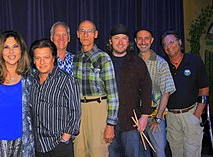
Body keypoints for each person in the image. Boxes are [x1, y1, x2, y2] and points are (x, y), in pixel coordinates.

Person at [73, 20, 119, 157]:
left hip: (98, 108)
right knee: (79, 152)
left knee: (98, 152)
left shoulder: (103, 58)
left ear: (95, 34)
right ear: (77, 34)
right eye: (82, 31)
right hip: (79, 109)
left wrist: (111, 124)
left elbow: (113, 94)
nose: (85, 35)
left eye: (89, 31)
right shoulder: (75, 58)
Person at [29, 39, 81, 157]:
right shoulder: (31, 80)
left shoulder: (67, 80)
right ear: (33, 60)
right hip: (39, 145)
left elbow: (75, 111)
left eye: (46, 57)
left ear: (53, 58)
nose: (42, 62)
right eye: (37, 58)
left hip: (59, 145)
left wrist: (65, 138)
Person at [161, 30, 209, 157]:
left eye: (172, 42)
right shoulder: (162, 65)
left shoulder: (194, 61)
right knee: (176, 153)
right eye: (165, 44)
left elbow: (204, 88)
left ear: (180, 42)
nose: (168, 46)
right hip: (171, 118)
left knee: (192, 152)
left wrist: (197, 114)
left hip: (191, 114)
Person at [107, 24, 152, 157]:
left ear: (128, 41)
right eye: (116, 38)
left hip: (132, 122)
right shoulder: (104, 60)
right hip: (108, 123)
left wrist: (144, 115)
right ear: (110, 41)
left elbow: (146, 89)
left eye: (124, 38)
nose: (120, 42)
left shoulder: (137, 62)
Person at [0, 31, 35, 157]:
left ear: (21, 50)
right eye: (6, 47)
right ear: (0, 51)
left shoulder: (30, 77)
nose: (11, 52)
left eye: (15, 47)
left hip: (23, 142)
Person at [135, 29, 176, 157]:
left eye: (146, 38)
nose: (143, 42)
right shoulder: (132, 63)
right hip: (137, 119)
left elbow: (166, 91)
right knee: (141, 154)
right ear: (135, 41)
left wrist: (158, 118)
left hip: (154, 118)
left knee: (159, 153)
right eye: (140, 39)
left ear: (152, 40)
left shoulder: (161, 63)